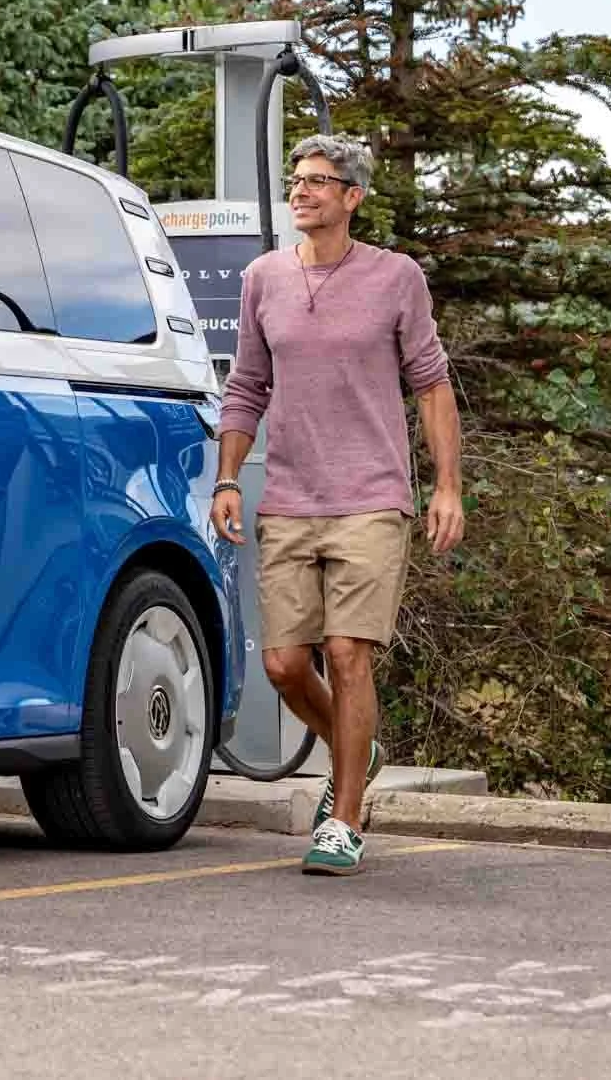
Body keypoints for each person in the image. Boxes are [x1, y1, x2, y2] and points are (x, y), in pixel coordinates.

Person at [211, 134, 464, 877]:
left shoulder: (396, 277)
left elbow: (432, 383)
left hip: (372, 496)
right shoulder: (263, 278)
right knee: (288, 664)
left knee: (350, 652)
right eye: (297, 180)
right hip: (289, 496)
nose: (302, 191)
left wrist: (446, 484)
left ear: (352, 197)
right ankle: (360, 748)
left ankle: (345, 817)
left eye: (320, 181)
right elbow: (246, 385)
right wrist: (229, 477)